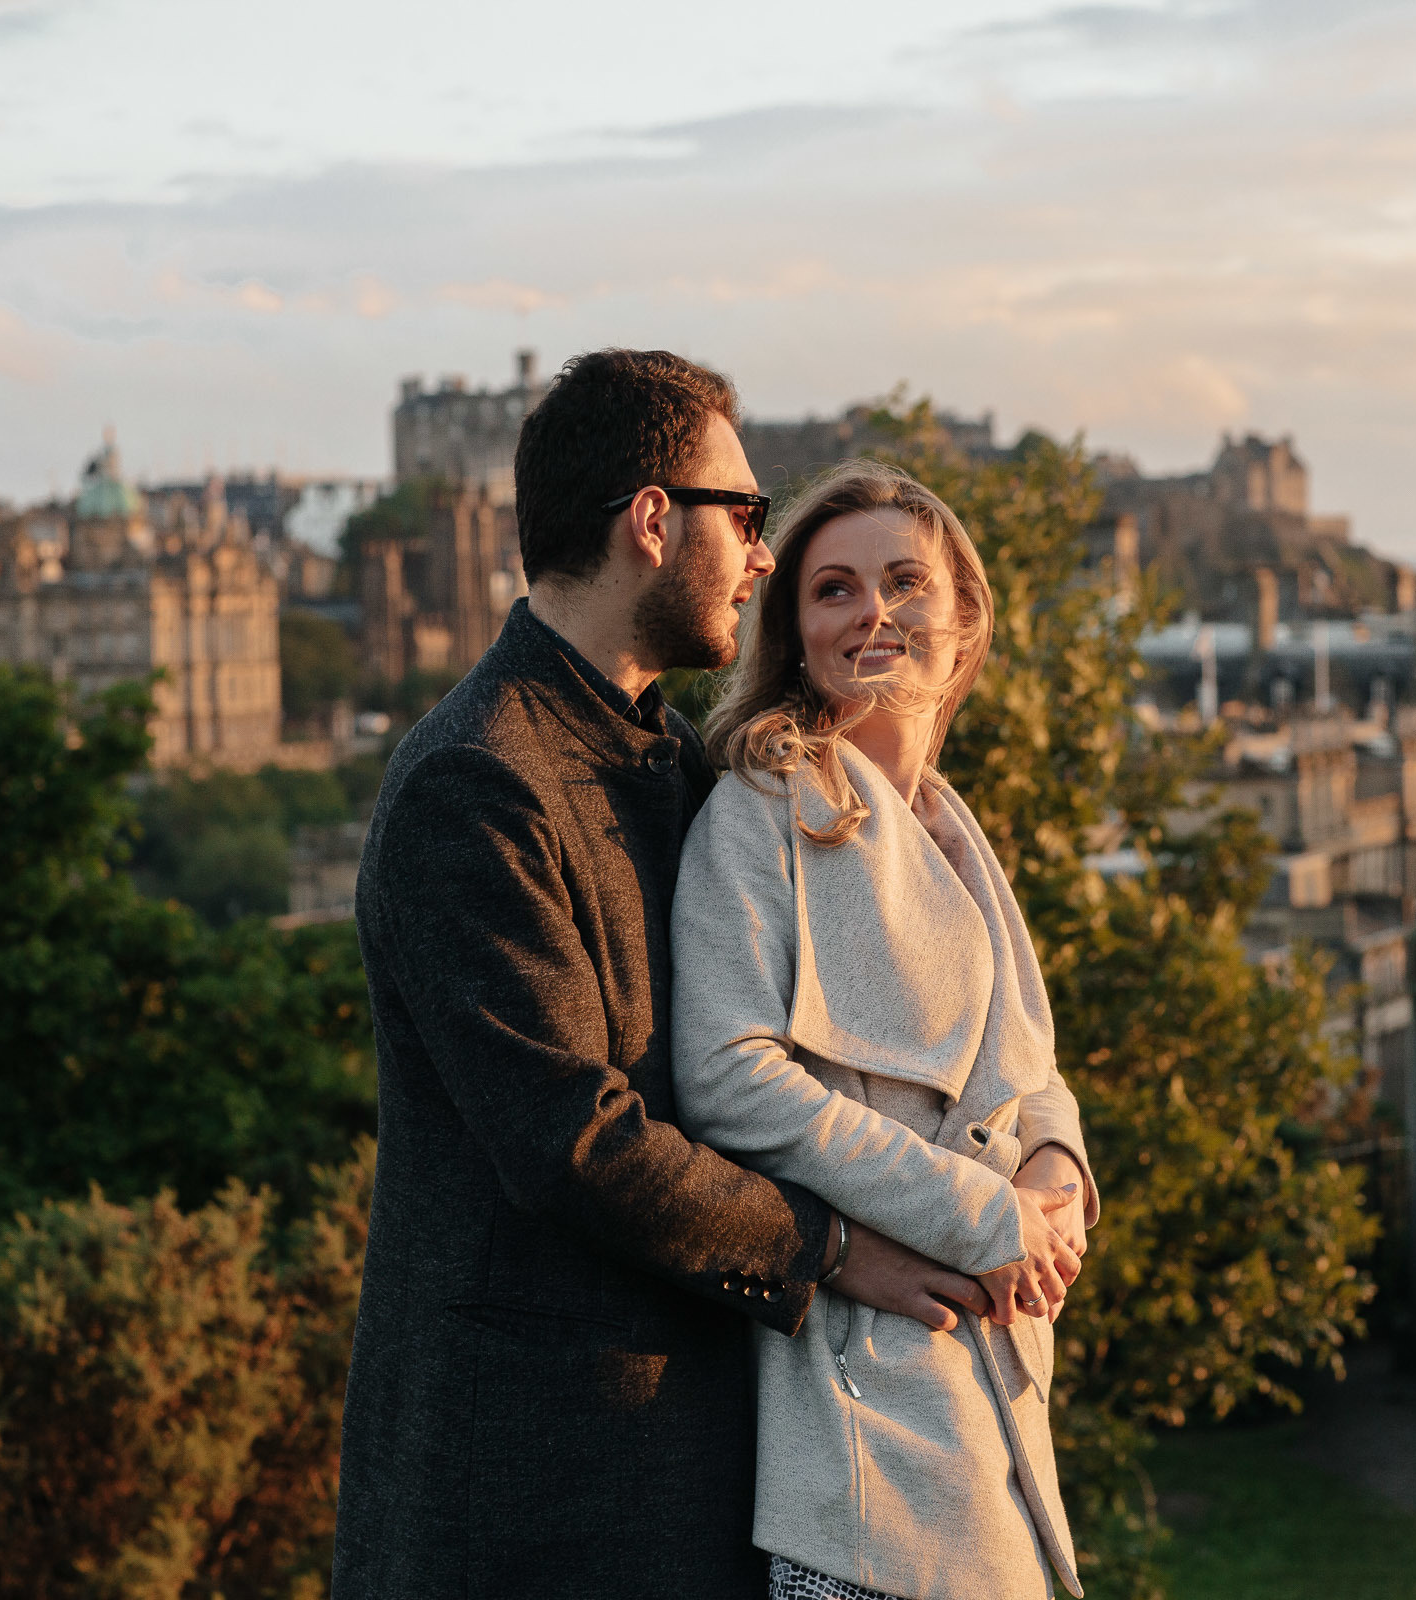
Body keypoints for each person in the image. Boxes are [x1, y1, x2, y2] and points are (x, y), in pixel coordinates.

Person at [334, 352, 995, 1599]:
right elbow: (570, 1139)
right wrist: (834, 1247)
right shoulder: (471, 782)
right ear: (652, 521)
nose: (761, 556)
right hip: (533, 1489)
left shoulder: (678, 765)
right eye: (744, 518)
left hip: (685, 1459)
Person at [672, 459, 1100, 1600]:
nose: (874, 614)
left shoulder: (954, 824)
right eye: (834, 590)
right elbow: (727, 1078)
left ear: (963, 619)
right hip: (865, 1422)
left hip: (992, 1373)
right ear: (796, 632)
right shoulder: (761, 806)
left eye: (906, 582)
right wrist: (983, 1215)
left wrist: (1057, 1173)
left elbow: (1027, 1070)